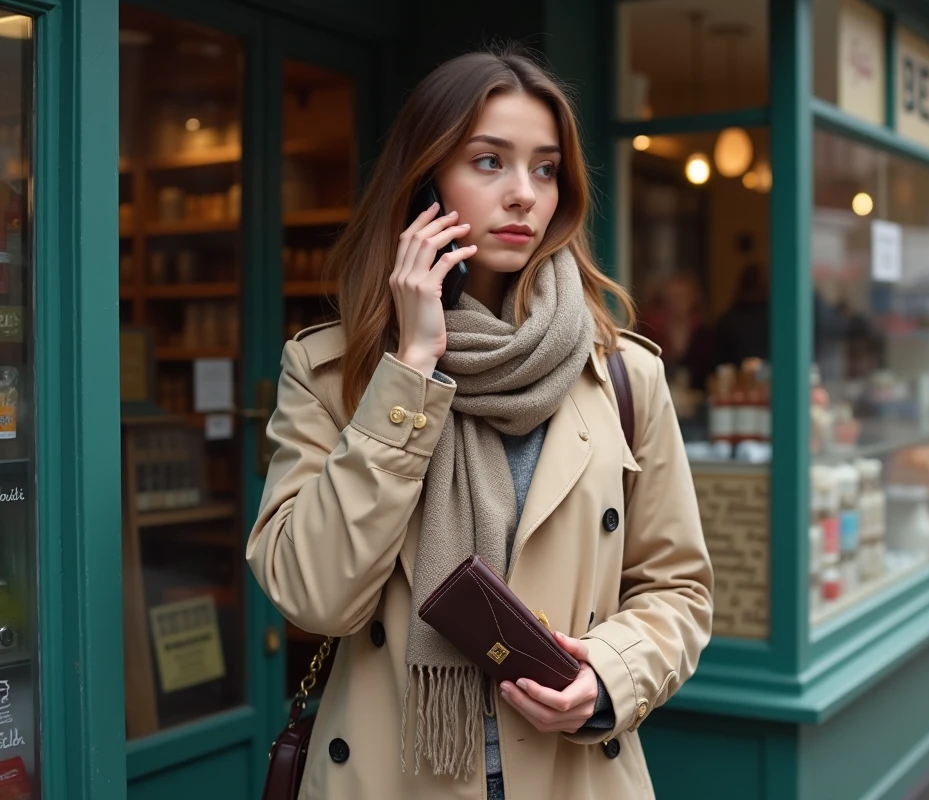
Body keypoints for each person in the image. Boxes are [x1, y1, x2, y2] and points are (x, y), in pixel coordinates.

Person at [246, 47, 714, 800]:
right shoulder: (335, 373)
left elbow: (678, 589)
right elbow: (314, 595)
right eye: (490, 162)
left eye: (545, 168)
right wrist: (413, 367)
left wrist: (606, 677)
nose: (524, 194)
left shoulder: (623, 374)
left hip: (570, 776)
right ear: (424, 180)